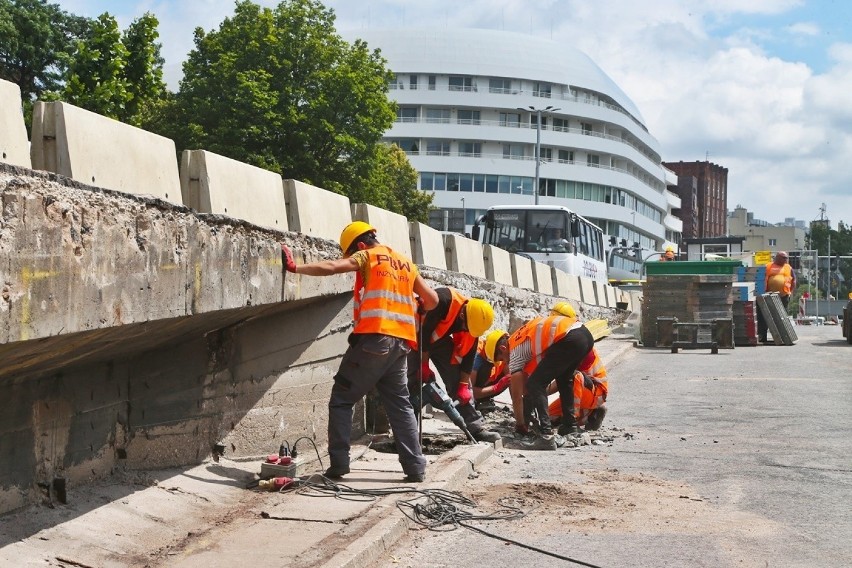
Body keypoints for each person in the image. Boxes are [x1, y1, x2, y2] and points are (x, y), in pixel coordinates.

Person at [281, 221, 439, 482]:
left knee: (342, 399)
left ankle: (339, 464)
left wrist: (296, 268)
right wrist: (417, 302)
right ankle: (415, 468)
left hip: (374, 340)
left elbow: (332, 267)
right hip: (401, 345)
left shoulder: (368, 256)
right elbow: (431, 300)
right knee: (400, 405)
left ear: (361, 245)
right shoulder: (405, 263)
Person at [408, 288, 501, 442]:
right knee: (412, 381)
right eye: (465, 327)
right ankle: (409, 433)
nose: (466, 330)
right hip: (416, 336)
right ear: (462, 314)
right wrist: (423, 365)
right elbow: (424, 332)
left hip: (438, 340)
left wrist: (463, 385)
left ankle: (475, 428)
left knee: (457, 378)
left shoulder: (473, 321)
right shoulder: (444, 300)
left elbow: (470, 356)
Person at [505, 301, 594, 449]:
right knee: (565, 379)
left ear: (502, 349)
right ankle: (569, 426)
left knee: (535, 383)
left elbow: (517, 395)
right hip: (585, 335)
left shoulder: (514, 352)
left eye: (501, 360)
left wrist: (520, 424)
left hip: (570, 338)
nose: (504, 364)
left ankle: (546, 435)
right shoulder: (523, 335)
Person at [546, 346, 608, 431]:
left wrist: (541, 391)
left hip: (597, 393)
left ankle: (572, 422)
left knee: (574, 376)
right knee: (549, 416)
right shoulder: (569, 345)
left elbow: (567, 378)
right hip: (584, 391)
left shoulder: (581, 347)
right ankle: (591, 415)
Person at [758, 251, 797, 343]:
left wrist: (790, 292)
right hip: (768, 296)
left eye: (786, 258)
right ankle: (762, 337)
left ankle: (783, 337)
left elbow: (794, 280)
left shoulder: (788, 267)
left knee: (782, 316)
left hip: (783, 296)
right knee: (765, 316)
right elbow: (761, 278)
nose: (786, 260)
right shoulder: (768, 266)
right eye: (784, 258)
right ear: (777, 257)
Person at [471, 329, 512, 414]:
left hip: (485, 385)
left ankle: (483, 399)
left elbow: (513, 378)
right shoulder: (476, 357)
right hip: (471, 393)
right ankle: (477, 401)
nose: (503, 361)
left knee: (510, 377)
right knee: (486, 366)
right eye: (500, 359)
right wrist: (495, 388)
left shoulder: (507, 350)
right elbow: (470, 392)